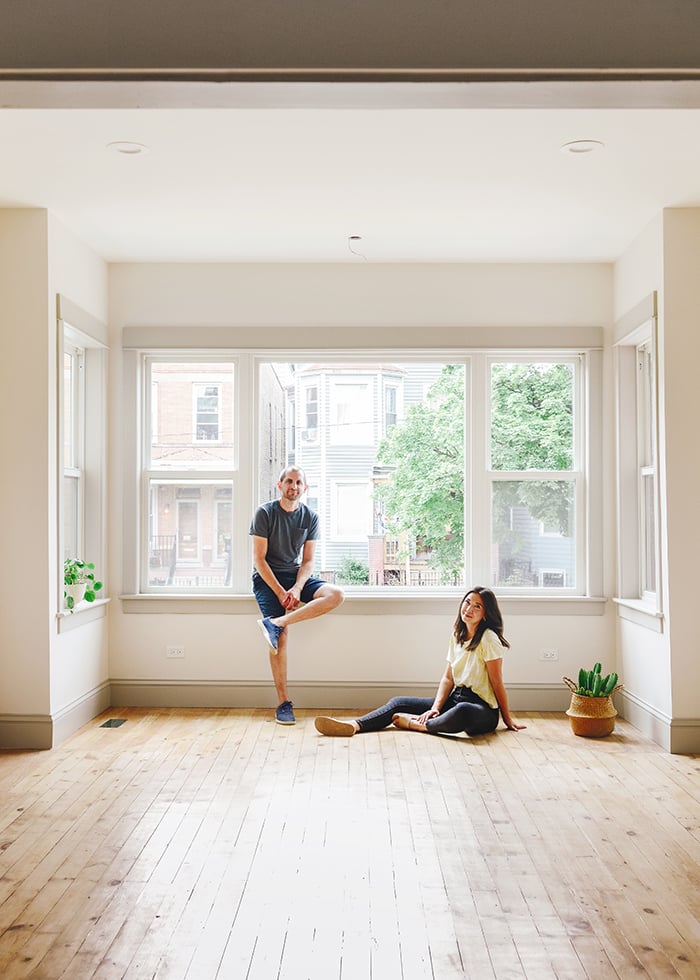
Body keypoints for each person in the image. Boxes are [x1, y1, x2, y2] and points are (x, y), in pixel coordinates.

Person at [314, 586, 525, 738]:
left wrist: (507, 720)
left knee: (462, 711)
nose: (469, 609)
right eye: (467, 602)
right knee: (398, 702)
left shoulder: (488, 638)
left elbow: (497, 682)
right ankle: (354, 725)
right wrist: (435, 708)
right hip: (456, 698)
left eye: (477, 606)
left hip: (481, 709)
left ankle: (419, 725)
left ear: (486, 614)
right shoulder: (458, 635)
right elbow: (448, 678)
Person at [251, 465, 344, 725]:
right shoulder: (265, 513)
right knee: (280, 639)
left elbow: (308, 561)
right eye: (289, 481)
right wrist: (281, 592)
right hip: (267, 579)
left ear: (305, 488)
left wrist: (297, 588)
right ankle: (283, 703)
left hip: (295, 577)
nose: (294, 486)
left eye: (298, 482)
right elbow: (259, 560)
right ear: (280, 485)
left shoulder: (310, 517)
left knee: (336, 594)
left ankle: (277, 623)